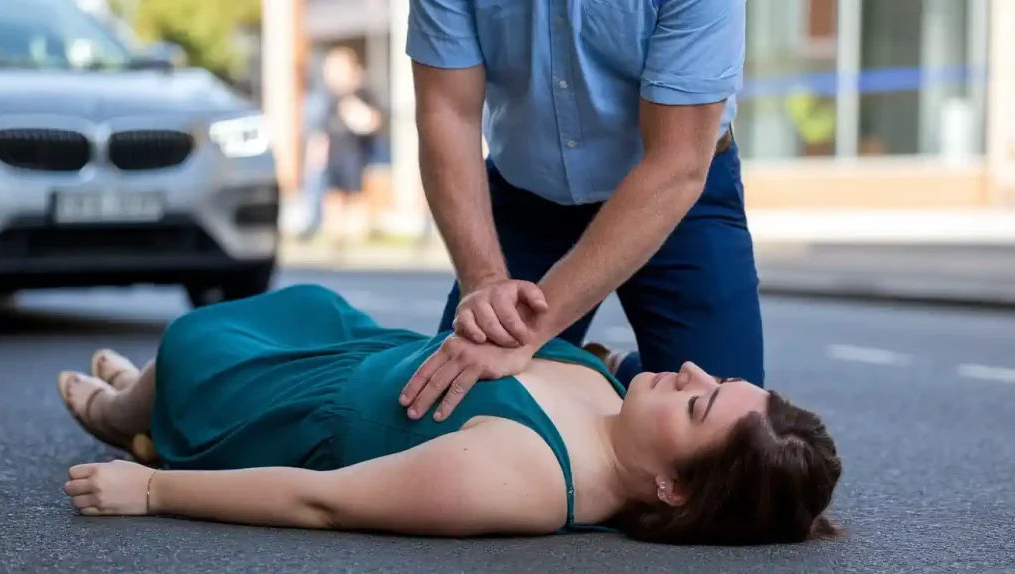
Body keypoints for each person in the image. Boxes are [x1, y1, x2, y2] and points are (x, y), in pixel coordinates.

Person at [57, 284, 842, 545]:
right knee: (306, 303)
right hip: (357, 343)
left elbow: (321, 503)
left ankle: (132, 418)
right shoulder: (615, 400)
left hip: (284, 405)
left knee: (196, 341)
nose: (689, 370)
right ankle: (141, 401)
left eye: (701, 402)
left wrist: (151, 495)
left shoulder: (518, 479)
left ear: (673, 488)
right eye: (717, 376)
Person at [399, 0, 764, 421]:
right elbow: (448, 113)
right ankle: (586, 376)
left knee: (725, 444)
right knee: (452, 415)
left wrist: (530, 336)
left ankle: (615, 372)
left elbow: (675, 163)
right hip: (529, 193)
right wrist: (483, 282)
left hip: (674, 195)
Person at [299, 46, 386, 242]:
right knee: (333, 193)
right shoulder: (326, 98)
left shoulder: (361, 93)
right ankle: (334, 233)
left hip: (356, 152)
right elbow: (320, 130)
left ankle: (356, 233)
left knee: (356, 193)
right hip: (335, 152)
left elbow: (374, 121)